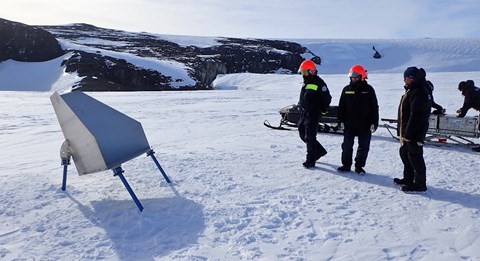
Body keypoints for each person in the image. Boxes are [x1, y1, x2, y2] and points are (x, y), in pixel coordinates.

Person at [394, 67, 432, 193]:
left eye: (405, 78)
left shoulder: (419, 91)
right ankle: (408, 178)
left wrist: (408, 134)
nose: (404, 81)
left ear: (410, 78)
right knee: (405, 153)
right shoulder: (414, 90)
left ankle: (420, 184)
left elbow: (416, 114)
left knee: (415, 157)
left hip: (414, 132)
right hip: (408, 130)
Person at [337, 65, 379, 174]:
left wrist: (374, 122)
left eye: (355, 77)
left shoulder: (369, 90)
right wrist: (340, 121)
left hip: (365, 123)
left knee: (364, 146)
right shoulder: (346, 89)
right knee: (347, 145)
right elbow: (341, 106)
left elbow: (374, 107)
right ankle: (346, 165)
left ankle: (359, 166)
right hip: (349, 123)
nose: (353, 79)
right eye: (352, 77)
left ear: (362, 76)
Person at [297, 59, 332, 168]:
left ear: (311, 71)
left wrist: (323, 108)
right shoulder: (306, 82)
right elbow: (304, 96)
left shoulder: (319, 83)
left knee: (310, 137)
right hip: (304, 112)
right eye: (302, 72)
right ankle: (319, 151)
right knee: (302, 134)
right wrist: (300, 104)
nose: (303, 75)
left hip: (313, 113)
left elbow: (327, 97)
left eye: (305, 72)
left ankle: (310, 160)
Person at [456, 80, 480, 152]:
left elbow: (467, 104)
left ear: (462, 88)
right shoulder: (474, 89)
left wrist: (461, 116)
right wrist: (462, 109)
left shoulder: (469, 91)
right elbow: (470, 102)